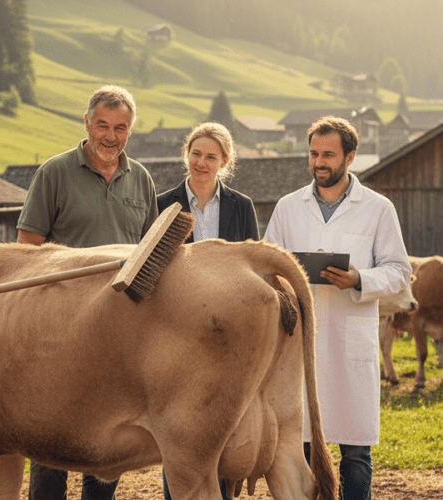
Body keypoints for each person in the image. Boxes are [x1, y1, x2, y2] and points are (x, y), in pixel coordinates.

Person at [16, 85, 159, 500]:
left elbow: (150, 253)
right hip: (59, 330)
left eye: (121, 128)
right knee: (51, 432)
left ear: (130, 131)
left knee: (107, 436)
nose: (110, 136)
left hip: (120, 330)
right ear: (86, 122)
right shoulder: (54, 173)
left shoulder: (142, 179)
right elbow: (27, 251)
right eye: (103, 125)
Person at [263, 116, 411, 500]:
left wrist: (360, 279)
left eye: (328, 154)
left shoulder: (378, 209)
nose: (319, 162)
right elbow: (268, 268)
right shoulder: (288, 207)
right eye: (314, 154)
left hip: (351, 342)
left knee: (356, 454)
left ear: (351, 157)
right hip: (302, 345)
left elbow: (399, 271)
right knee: (305, 447)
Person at [156, 122, 258, 500]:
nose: (201, 162)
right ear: (187, 155)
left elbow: (252, 267)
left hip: (227, 333)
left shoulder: (241, 206)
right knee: (177, 426)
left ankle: (224, 495)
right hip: (177, 331)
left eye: (210, 156)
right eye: (196, 154)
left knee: (224, 423)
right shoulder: (162, 204)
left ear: (224, 162)